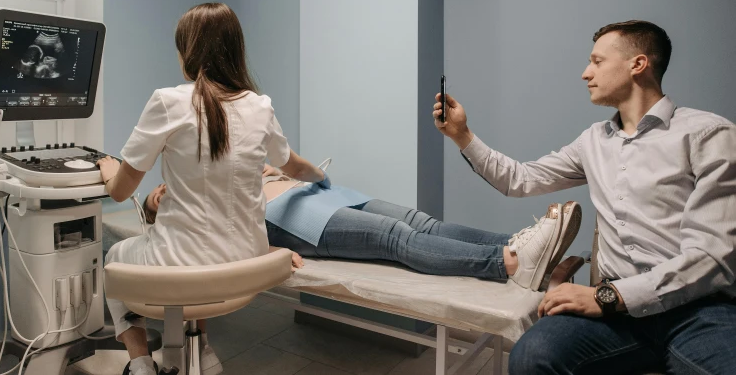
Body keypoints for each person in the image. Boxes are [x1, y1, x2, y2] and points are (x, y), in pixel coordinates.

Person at [433, 20, 736, 374]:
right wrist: (462, 134)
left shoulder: (709, 134)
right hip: (614, 318)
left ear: (637, 64)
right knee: (533, 356)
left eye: (597, 61)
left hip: (696, 312)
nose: (585, 73)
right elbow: (519, 179)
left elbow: (711, 258)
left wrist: (607, 297)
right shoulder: (593, 141)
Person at [96, 3, 327, 375]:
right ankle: (195, 351)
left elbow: (121, 192)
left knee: (115, 256)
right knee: (193, 256)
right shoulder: (259, 106)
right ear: (235, 51)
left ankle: (140, 365)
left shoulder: (168, 102)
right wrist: (321, 176)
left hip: (186, 265)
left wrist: (109, 170)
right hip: (247, 265)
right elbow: (296, 166)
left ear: (188, 52)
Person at [142, 162, 582, 289]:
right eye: (158, 200)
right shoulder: (196, 212)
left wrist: (274, 171)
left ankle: (525, 247)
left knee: (419, 221)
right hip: (295, 220)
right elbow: (228, 238)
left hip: (321, 195)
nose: (163, 192)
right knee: (396, 239)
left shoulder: (205, 172)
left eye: (161, 189)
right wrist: (269, 253)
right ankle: (508, 262)